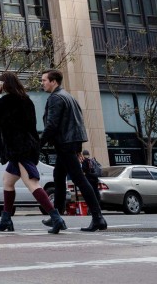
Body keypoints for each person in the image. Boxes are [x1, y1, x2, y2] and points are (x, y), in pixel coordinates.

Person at [0, 71, 62, 233]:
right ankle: (6, 219)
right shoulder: (26, 100)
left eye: (0, 83)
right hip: (26, 147)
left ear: (5, 84)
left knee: (32, 183)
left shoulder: (7, 101)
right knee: (7, 181)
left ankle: (56, 217)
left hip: (19, 149)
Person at [40, 69, 107, 232]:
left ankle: (98, 218)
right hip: (70, 144)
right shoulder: (68, 96)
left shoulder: (56, 98)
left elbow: (52, 125)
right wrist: (78, 148)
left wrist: (38, 143)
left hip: (64, 144)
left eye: (44, 80)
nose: (42, 83)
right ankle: (57, 216)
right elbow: (77, 123)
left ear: (53, 81)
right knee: (58, 176)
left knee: (80, 180)